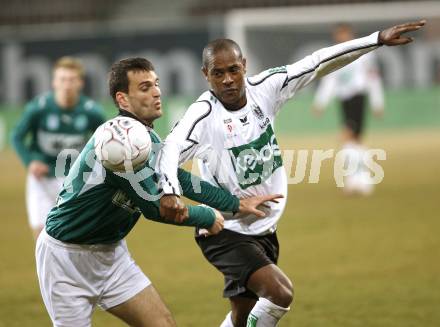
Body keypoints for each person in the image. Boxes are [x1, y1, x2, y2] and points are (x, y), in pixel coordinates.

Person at [157, 20, 426, 327]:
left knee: (242, 316)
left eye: (234, 69)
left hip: (265, 228)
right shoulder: (202, 116)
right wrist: (169, 190)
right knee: (279, 293)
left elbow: (318, 63)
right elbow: (171, 149)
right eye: (218, 73)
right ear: (206, 75)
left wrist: (376, 39)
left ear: (244, 66)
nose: (228, 80)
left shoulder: (266, 89)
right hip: (224, 230)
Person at [35, 57, 280, 327]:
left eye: (156, 84)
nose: (156, 92)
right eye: (144, 87)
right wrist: (208, 217)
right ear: (123, 99)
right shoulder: (118, 144)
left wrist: (235, 203)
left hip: (110, 253)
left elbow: (178, 179)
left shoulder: (145, 138)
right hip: (66, 257)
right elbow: (156, 207)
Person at [11, 56, 106, 240]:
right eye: (62, 79)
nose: (67, 85)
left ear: (80, 83)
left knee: (76, 237)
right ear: (54, 82)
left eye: (71, 80)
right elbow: (17, 137)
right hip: (42, 179)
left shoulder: (90, 111)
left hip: (76, 181)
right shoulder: (39, 108)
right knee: (41, 237)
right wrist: (30, 161)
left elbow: (106, 140)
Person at [312, 23, 385, 195]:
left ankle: (355, 181)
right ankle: (363, 182)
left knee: (347, 137)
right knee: (356, 139)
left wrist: (377, 102)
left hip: (357, 96)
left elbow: (373, 78)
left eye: (343, 34)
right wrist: (321, 102)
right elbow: (330, 80)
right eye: (338, 35)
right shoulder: (335, 55)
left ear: (350, 34)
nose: (340, 38)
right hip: (344, 99)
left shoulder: (363, 53)